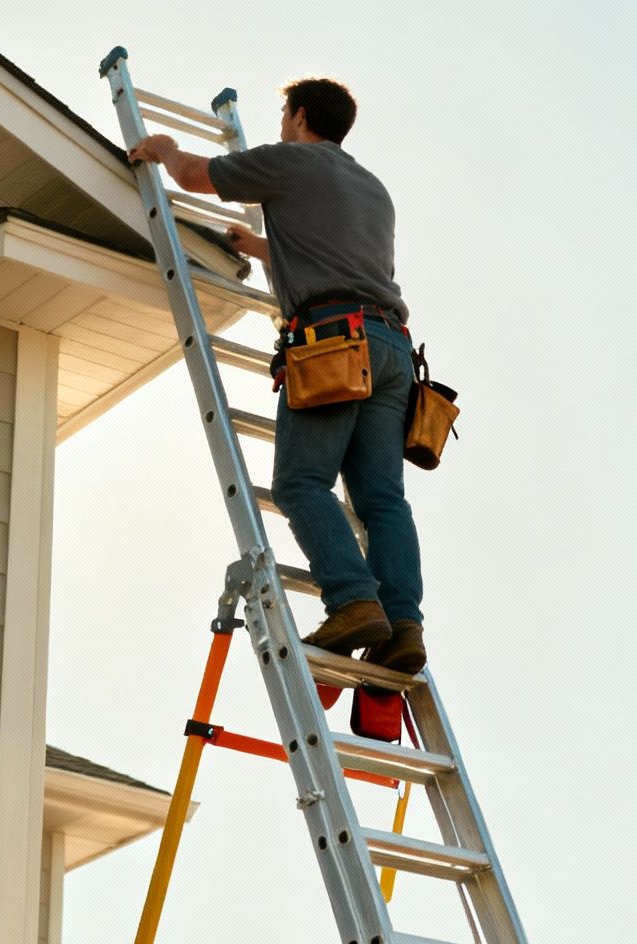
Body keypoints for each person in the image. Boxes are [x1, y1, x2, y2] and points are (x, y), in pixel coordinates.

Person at [128, 78, 427, 674]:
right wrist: (265, 249)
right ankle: (403, 625)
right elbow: (339, 258)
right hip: (391, 347)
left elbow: (195, 177)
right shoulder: (373, 188)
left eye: (284, 114)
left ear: (300, 116)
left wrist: (162, 148)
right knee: (381, 500)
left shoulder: (290, 160)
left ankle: (353, 601)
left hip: (333, 344)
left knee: (299, 483)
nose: (281, 123)